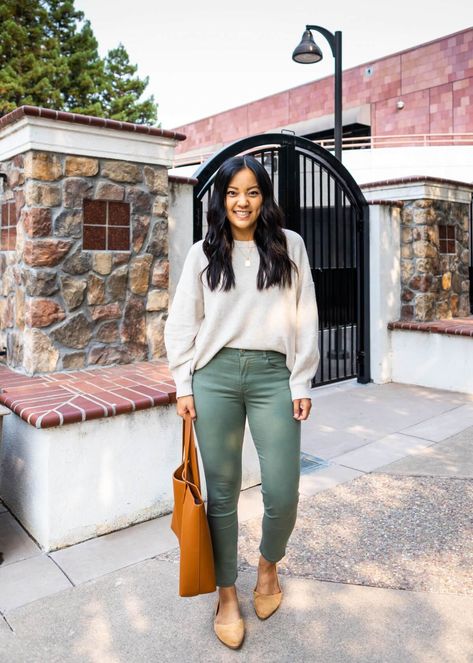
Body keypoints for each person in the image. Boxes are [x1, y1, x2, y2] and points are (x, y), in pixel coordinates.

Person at [164, 155, 320, 650]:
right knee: (223, 491)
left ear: (264, 197)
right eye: (233, 192)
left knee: (283, 489)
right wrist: (183, 383)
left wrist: (301, 382)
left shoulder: (289, 245)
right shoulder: (203, 253)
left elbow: (305, 313)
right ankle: (227, 594)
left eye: (252, 192)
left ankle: (268, 567)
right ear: (221, 198)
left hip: (274, 375)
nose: (242, 202)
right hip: (216, 377)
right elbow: (183, 322)